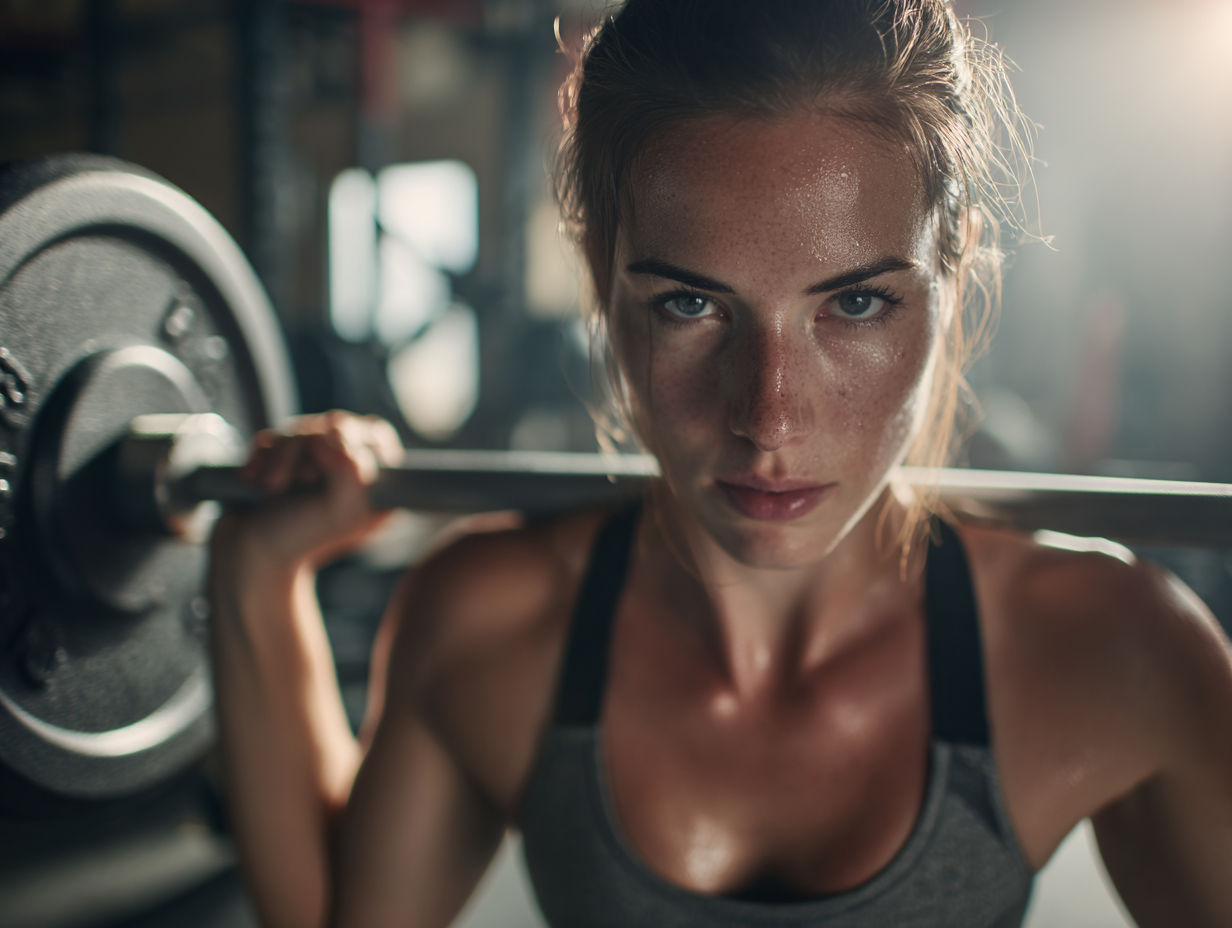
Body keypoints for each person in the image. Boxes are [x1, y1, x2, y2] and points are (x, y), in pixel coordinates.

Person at [208, 1, 1232, 926]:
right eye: (690, 304)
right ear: (599, 275)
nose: (768, 416)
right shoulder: (487, 620)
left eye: (856, 302)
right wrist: (254, 577)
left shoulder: (1116, 650)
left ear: (952, 269)